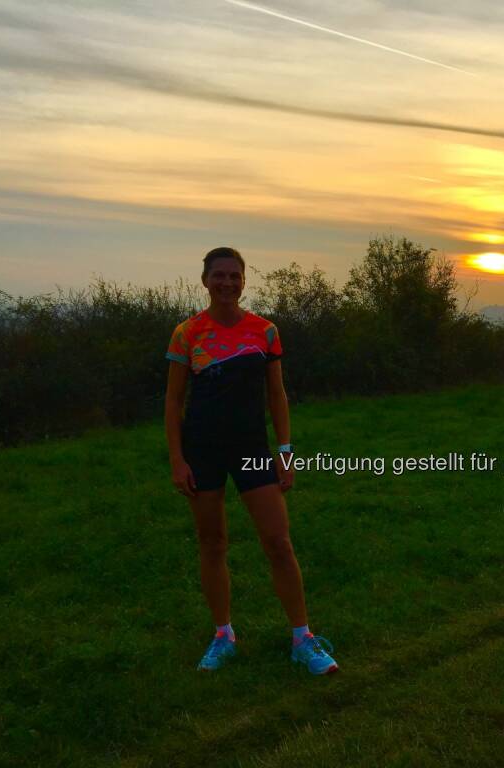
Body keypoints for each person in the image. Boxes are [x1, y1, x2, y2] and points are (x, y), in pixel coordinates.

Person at [164, 246, 338, 674]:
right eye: (218, 275)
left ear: (244, 280)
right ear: (205, 281)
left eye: (234, 275)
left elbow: (276, 395)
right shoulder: (187, 333)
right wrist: (177, 460)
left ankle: (303, 638)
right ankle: (223, 635)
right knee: (213, 543)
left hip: (252, 450)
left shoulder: (265, 332)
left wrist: (284, 451)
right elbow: (173, 400)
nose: (226, 283)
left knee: (278, 542)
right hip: (202, 450)